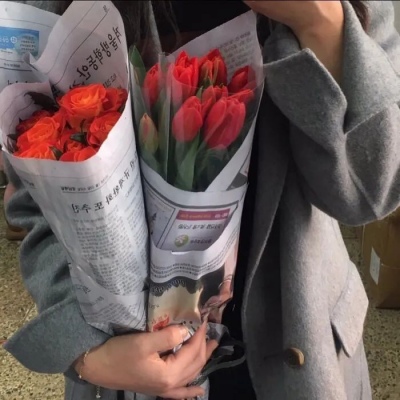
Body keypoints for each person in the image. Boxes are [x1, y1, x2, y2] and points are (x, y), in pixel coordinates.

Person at [3, 1, 400, 399]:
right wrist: (86, 350)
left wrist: (319, 22)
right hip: (128, 365)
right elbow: (33, 195)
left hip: (299, 346)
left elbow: (371, 193)